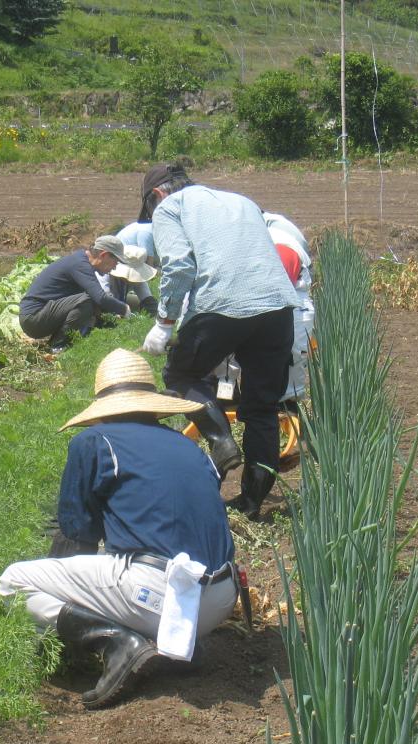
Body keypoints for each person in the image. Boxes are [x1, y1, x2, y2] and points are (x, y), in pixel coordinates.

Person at [0, 349, 239, 708]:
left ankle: (117, 644)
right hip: (220, 596)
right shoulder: (187, 446)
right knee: (132, 560)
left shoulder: (94, 442)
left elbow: (76, 537)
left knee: (13, 581)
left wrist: (68, 635)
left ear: (103, 410)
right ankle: (176, 642)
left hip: (159, 594)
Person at [137, 164, 301, 521]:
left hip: (221, 304)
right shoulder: (241, 201)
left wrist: (164, 323)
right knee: (262, 408)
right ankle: (252, 504)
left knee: (182, 375)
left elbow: (179, 266)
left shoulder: (169, 207)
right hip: (277, 306)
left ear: (156, 195)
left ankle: (222, 443)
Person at [18, 235, 144, 352]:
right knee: (87, 301)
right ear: (104, 255)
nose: (115, 267)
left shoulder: (81, 262)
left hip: (41, 316)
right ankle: (58, 345)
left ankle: (62, 341)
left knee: (91, 302)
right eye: (115, 262)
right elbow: (101, 298)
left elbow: (99, 301)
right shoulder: (79, 264)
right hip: (33, 318)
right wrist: (124, 309)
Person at [111, 221, 160, 315]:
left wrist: (158, 312)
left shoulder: (137, 279)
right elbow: (107, 300)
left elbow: (146, 297)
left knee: (136, 303)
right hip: (103, 303)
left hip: (121, 300)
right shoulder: (109, 277)